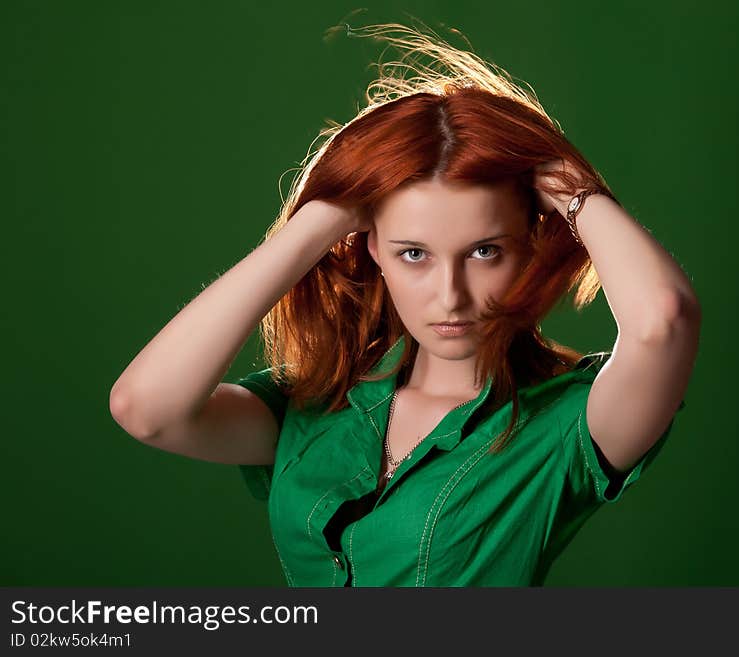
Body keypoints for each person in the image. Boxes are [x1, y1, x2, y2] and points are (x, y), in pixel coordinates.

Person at [109, 22, 701, 587]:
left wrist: (570, 186)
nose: (450, 295)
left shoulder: (569, 423)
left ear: (531, 244)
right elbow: (145, 408)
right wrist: (318, 223)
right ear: (372, 250)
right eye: (414, 253)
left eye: (484, 251)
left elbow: (664, 321)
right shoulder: (319, 402)